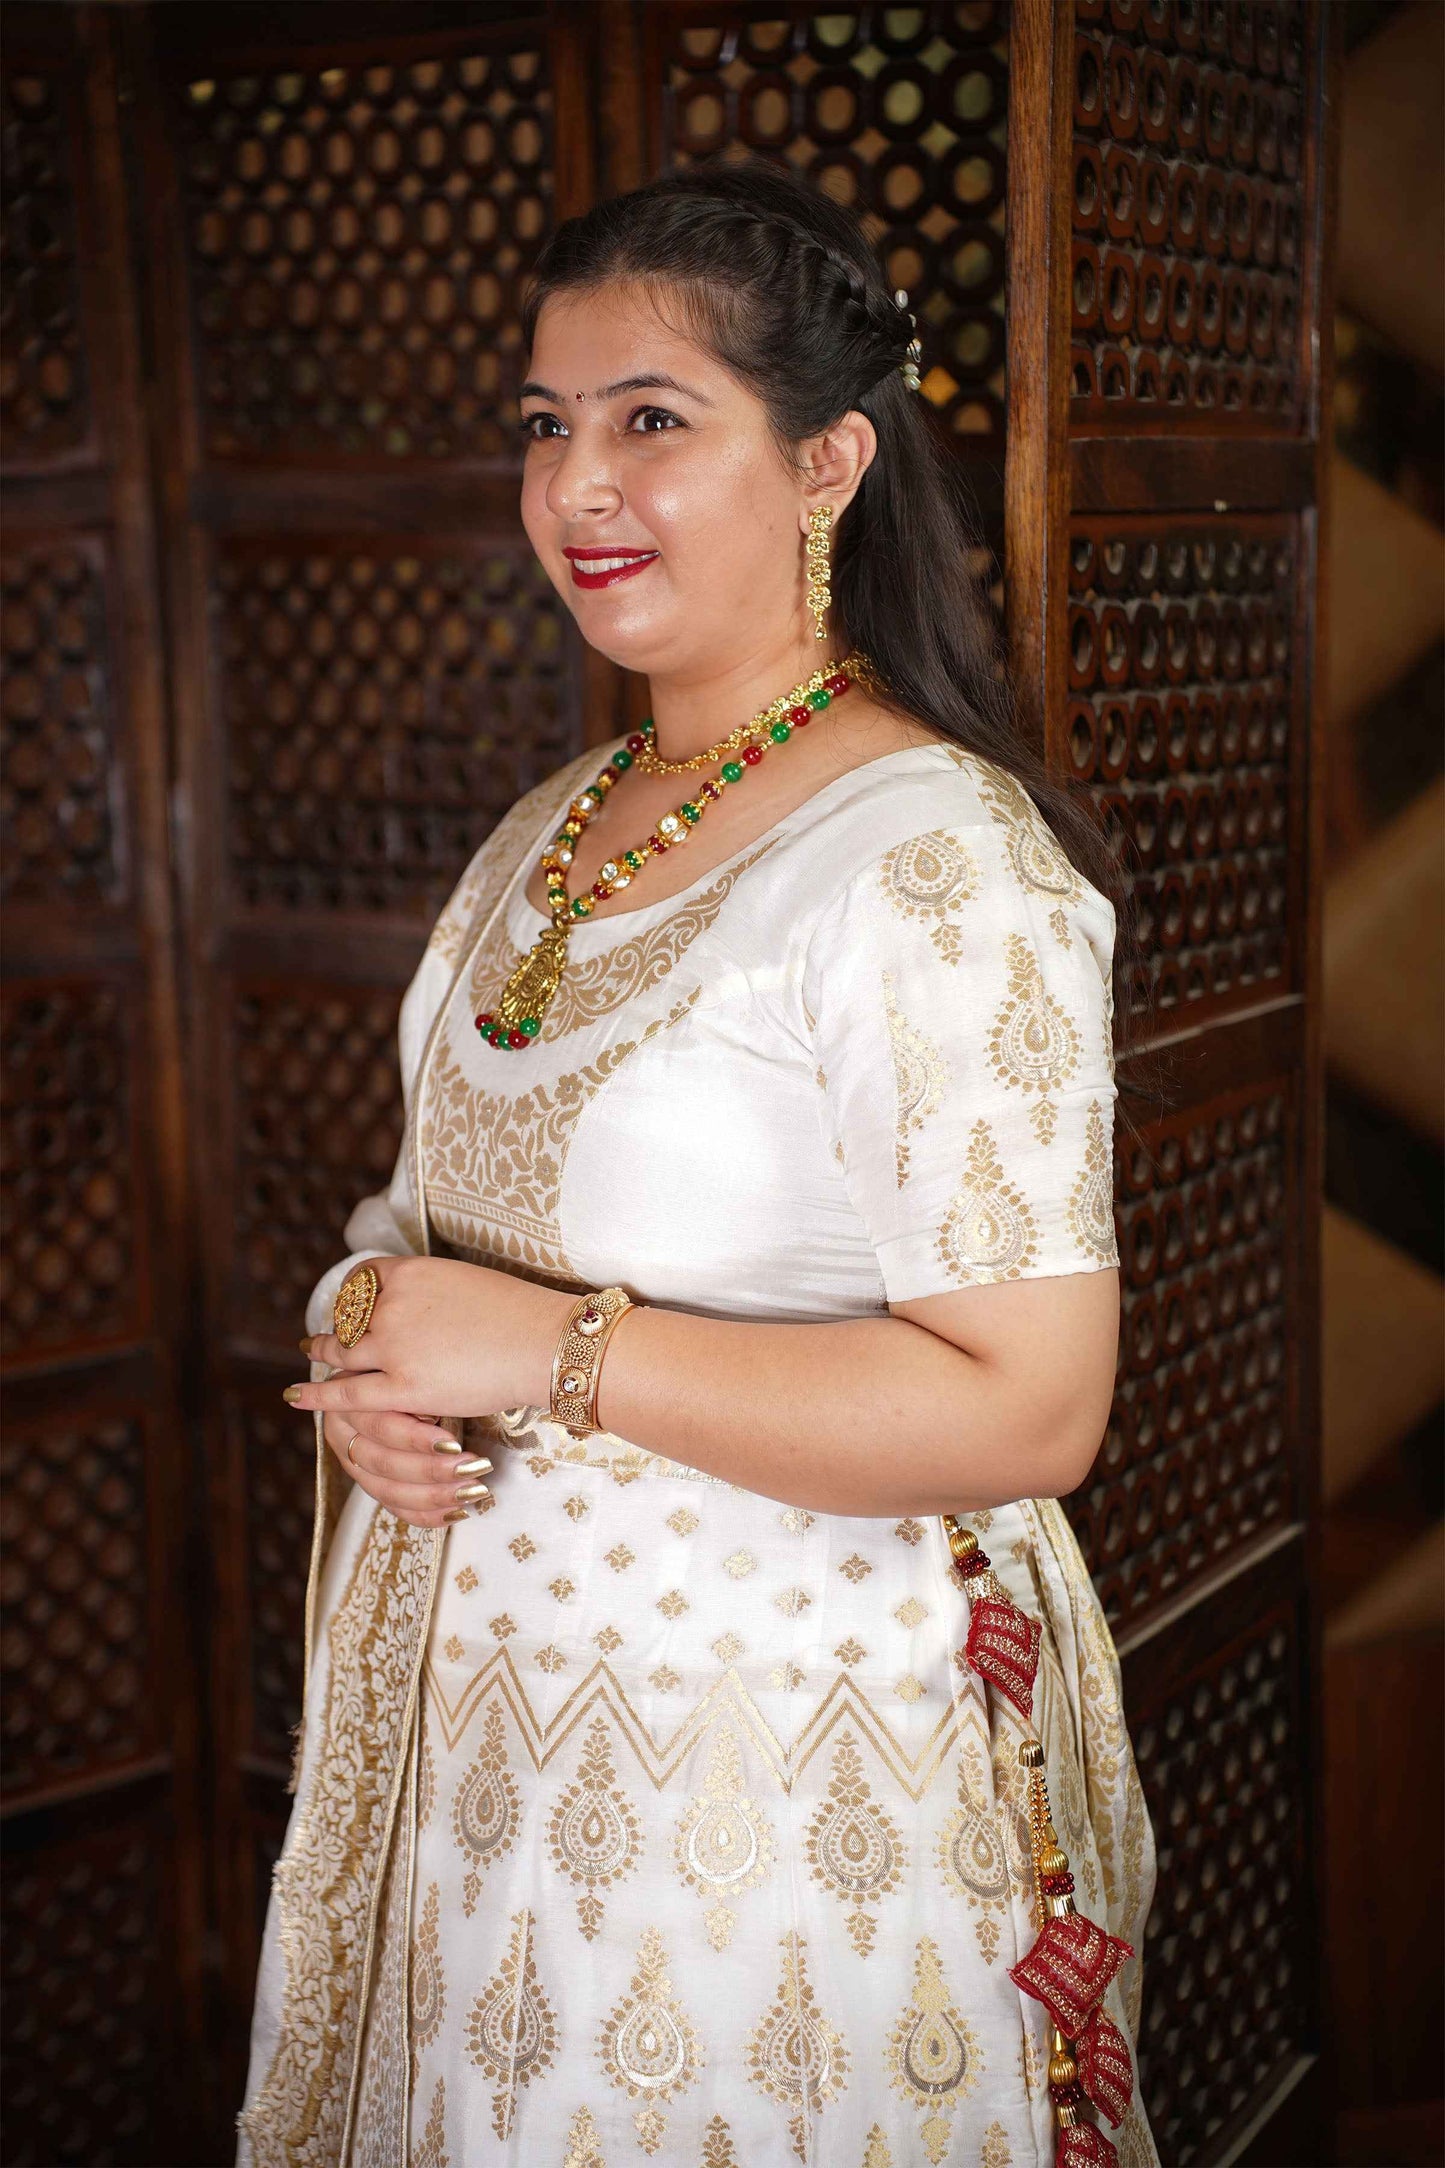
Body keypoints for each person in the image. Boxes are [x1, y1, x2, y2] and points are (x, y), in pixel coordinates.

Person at [236, 156, 1159, 2168]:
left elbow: (1033, 1405)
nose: (578, 485)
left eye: (652, 420)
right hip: (501, 1772)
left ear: (826, 462)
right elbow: (419, 1228)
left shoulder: (931, 863)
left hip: (777, 1792)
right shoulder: (554, 823)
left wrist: (544, 1352)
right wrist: (366, 1346)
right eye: (543, 425)